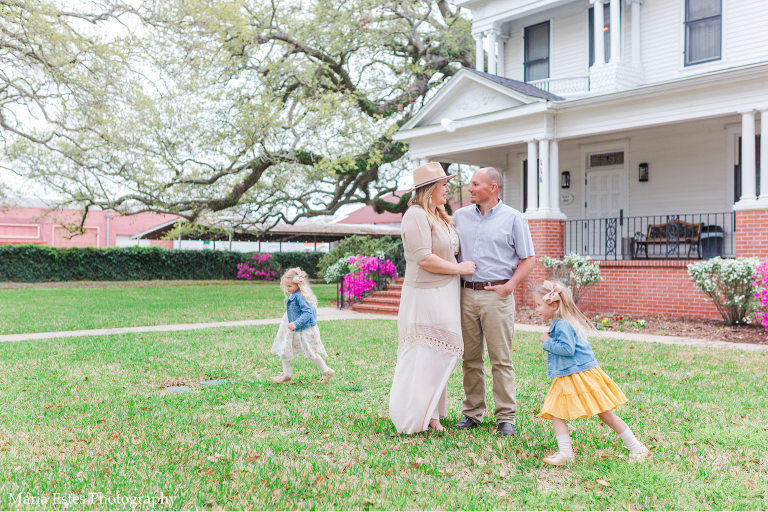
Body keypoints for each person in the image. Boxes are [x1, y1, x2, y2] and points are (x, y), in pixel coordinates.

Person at [389, 162, 476, 434]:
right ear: (429, 190)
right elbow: (424, 258)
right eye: (444, 185)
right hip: (425, 294)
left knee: (439, 353)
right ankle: (414, 414)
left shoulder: (439, 215)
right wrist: (459, 269)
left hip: (446, 291)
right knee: (427, 353)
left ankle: (433, 414)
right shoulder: (415, 215)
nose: (449, 189)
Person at [452, 167, 535, 437]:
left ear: (493, 188)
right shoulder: (459, 217)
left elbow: (528, 258)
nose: (470, 188)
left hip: (497, 297)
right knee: (470, 359)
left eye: (476, 184)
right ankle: (472, 413)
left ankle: (506, 418)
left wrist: (510, 286)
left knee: (501, 359)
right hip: (465, 294)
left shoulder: (514, 218)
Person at [534, 280, 651, 466]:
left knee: (604, 414)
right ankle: (566, 453)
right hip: (571, 374)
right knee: (556, 412)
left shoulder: (563, 324)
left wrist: (546, 341)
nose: (537, 309)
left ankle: (637, 447)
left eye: (539, 305)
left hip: (579, 375)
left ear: (554, 305)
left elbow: (567, 349)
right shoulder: (563, 322)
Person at [269, 267, 335, 384]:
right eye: (285, 286)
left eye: (289, 286)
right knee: (285, 348)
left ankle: (326, 371)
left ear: (299, 284)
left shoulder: (300, 296)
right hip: (291, 329)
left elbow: (308, 313)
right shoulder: (294, 294)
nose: (287, 288)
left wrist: (296, 323)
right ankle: (287, 374)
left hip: (302, 330)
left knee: (310, 352)